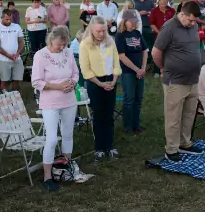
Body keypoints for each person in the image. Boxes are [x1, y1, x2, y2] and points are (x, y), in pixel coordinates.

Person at [151, 2, 205, 162]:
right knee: (173, 117)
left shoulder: (193, 27)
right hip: (175, 80)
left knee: (189, 114)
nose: (193, 23)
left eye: (195, 21)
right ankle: (171, 149)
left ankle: (185, 143)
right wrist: (163, 67)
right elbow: (156, 52)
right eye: (190, 20)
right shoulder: (169, 28)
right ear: (182, 14)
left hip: (193, 79)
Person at [31, 26, 83, 191]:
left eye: (64, 44)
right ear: (51, 41)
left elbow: (75, 73)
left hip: (69, 100)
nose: (62, 47)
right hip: (50, 102)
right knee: (52, 139)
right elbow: (36, 81)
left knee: (68, 134)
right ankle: (47, 176)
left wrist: (72, 84)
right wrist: (57, 86)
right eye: (59, 44)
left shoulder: (68, 53)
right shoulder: (40, 55)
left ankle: (65, 165)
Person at [79, 16, 120, 161]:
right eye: (98, 31)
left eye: (104, 31)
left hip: (111, 80)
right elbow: (85, 69)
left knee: (109, 115)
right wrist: (101, 84)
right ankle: (99, 148)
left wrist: (114, 80)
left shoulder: (111, 42)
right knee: (98, 115)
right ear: (91, 29)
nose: (101, 34)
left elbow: (116, 63)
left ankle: (109, 145)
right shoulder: (85, 44)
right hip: (95, 82)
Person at [115, 10, 147, 135]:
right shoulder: (120, 35)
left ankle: (136, 124)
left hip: (140, 71)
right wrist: (136, 69)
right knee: (129, 99)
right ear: (125, 21)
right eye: (131, 21)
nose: (134, 24)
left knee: (138, 98)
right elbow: (122, 56)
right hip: (128, 71)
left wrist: (143, 68)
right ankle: (128, 126)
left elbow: (144, 51)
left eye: (135, 22)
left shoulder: (137, 33)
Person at [0, 9, 24, 92]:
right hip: (3, 59)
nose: (9, 21)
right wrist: (8, 56)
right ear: (1, 18)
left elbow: (21, 42)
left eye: (10, 19)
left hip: (17, 58)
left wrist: (17, 53)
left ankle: (16, 98)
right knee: (4, 80)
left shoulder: (17, 27)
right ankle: (4, 99)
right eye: (7, 19)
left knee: (16, 80)